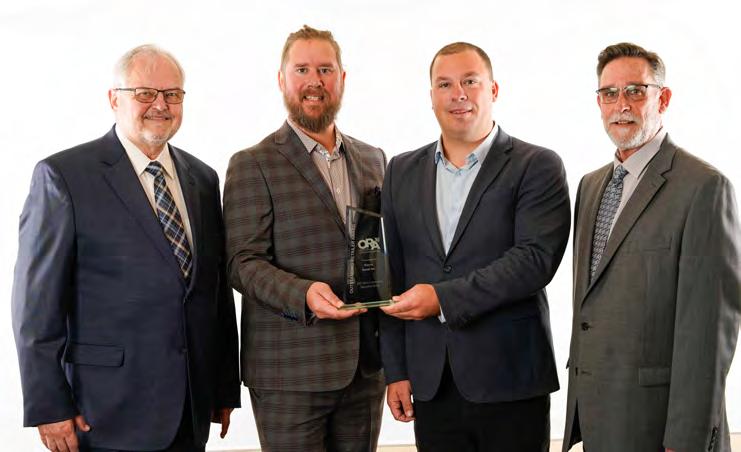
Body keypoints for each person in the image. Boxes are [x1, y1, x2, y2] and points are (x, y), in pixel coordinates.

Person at [11, 44, 240, 452]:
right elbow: (36, 306)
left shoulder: (202, 179)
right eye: (145, 93)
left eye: (172, 94)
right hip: (104, 411)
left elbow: (215, 293)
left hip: (190, 406)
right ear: (114, 99)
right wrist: (49, 405)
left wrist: (223, 387)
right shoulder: (64, 176)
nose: (160, 105)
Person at [379, 42, 571, 452]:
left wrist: (442, 299)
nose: (458, 94)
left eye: (470, 81)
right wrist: (395, 370)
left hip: (511, 379)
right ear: (431, 96)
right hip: (431, 382)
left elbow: (534, 261)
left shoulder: (537, 165)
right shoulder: (400, 171)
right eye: (445, 84)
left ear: (493, 90)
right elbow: (391, 274)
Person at [563, 42, 741, 452]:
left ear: (663, 98)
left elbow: (708, 332)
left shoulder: (704, 187)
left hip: (660, 426)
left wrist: (685, 438)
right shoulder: (590, 186)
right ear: (599, 102)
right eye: (610, 93)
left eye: (636, 91)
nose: (621, 104)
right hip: (599, 416)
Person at [223, 25, 386, 452]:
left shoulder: (374, 159)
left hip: (365, 371)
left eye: (325, 70)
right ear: (282, 80)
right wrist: (305, 294)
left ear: (342, 79)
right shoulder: (252, 164)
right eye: (302, 70)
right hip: (289, 373)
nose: (315, 81)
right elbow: (242, 263)